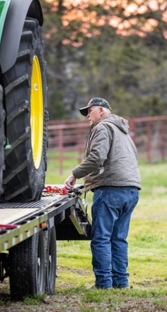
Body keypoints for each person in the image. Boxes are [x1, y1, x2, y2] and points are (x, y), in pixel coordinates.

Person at [64, 97, 141, 289]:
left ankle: (104, 283)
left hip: (110, 190)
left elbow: (97, 157)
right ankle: (121, 282)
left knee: (101, 238)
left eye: (89, 111)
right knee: (118, 238)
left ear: (101, 110)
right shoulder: (123, 131)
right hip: (131, 190)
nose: (88, 116)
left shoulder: (102, 127)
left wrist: (75, 175)